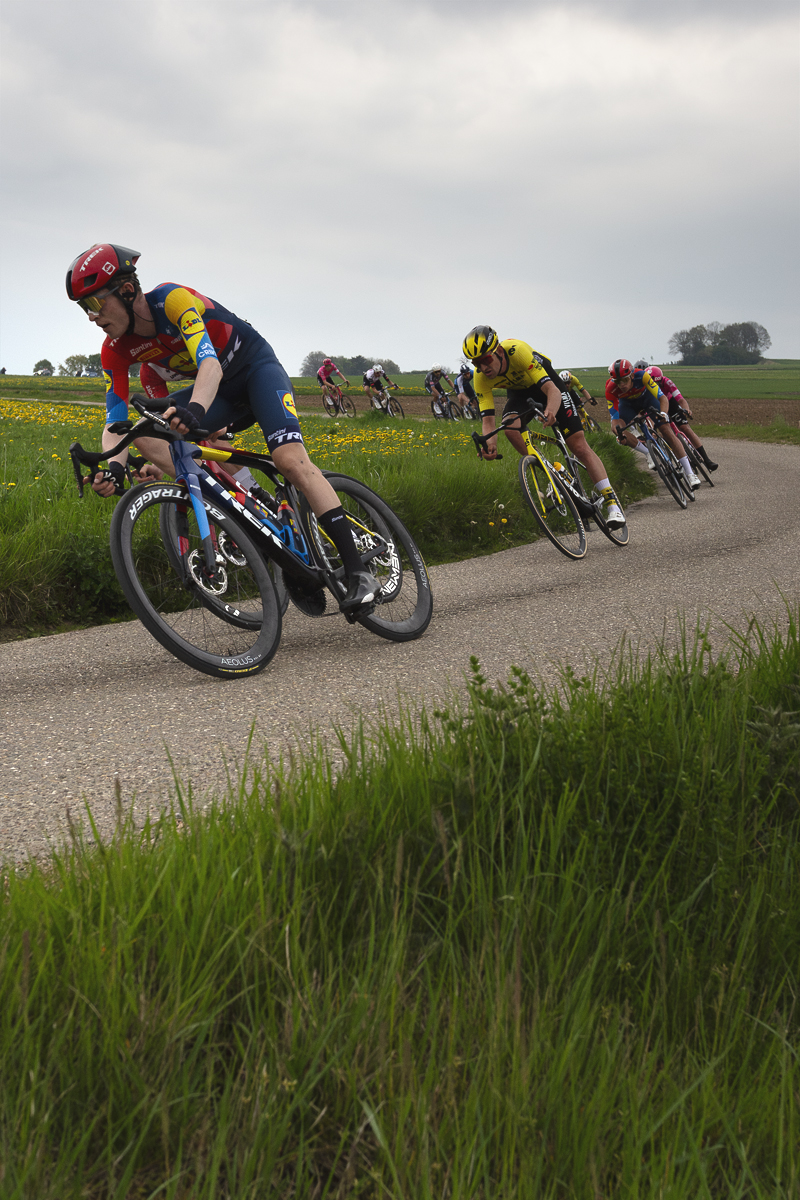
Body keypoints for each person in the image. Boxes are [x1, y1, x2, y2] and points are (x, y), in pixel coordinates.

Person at [66, 243, 376, 612]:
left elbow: (209, 365)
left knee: (290, 461)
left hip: (254, 371)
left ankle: (358, 573)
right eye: (84, 308)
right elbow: (115, 422)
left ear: (127, 290)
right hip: (220, 395)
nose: (91, 316)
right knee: (148, 434)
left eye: (94, 304)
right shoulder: (115, 350)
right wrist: (114, 468)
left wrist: (195, 410)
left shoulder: (173, 300)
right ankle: (257, 527)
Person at [462, 324, 625, 528]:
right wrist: (490, 445)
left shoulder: (518, 351)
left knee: (578, 446)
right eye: (476, 363)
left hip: (548, 385)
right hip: (521, 394)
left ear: (499, 352)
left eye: (486, 359)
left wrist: (550, 411)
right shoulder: (480, 378)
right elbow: (488, 420)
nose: (483, 367)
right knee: (510, 427)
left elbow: (552, 391)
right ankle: (552, 472)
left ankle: (612, 505)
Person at [606, 359, 702, 489]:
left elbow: (662, 398)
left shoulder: (642, 376)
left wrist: (663, 414)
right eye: (617, 381)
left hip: (648, 399)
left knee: (667, 431)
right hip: (627, 406)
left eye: (624, 380)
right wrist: (619, 432)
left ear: (632, 375)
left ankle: (690, 474)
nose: (621, 384)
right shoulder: (610, 389)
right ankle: (647, 453)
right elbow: (615, 419)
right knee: (618, 430)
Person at [633, 362, 718, 472]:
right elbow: (644, 413)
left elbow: (680, 398)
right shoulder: (643, 386)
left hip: (669, 402)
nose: (656, 385)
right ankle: (678, 460)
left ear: (661, 380)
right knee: (665, 433)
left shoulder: (667, 382)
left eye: (658, 383)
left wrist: (686, 409)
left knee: (685, 428)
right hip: (654, 405)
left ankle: (706, 460)